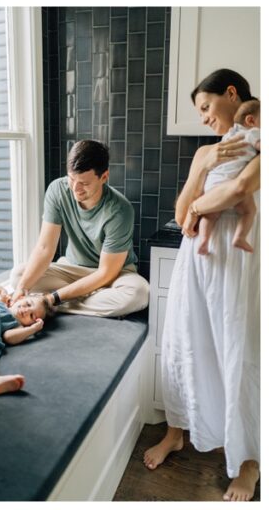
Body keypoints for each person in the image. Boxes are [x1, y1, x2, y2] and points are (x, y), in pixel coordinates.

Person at [144, 68, 260, 502]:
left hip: (240, 259)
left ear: (232, 94)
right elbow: (180, 216)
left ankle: (249, 462)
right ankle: (177, 431)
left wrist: (198, 208)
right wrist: (202, 171)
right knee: (185, 344)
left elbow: (240, 190)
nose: (204, 119)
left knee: (241, 352)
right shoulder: (204, 154)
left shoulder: (261, 140)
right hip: (198, 260)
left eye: (207, 107)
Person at [7, 140, 149, 317]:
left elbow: (106, 273)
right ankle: (83, 298)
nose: (75, 188)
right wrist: (22, 289)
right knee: (18, 276)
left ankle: (50, 304)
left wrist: (52, 299)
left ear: (104, 177)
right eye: (71, 179)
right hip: (72, 269)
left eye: (84, 183)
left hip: (113, 275)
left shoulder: (120, 210)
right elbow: (44, 248)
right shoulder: (57, 190)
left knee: (139, 294)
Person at [195, 99, 260, 255]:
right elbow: (240, 188)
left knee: (209, 216)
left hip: (213, 183)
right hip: (229, 183)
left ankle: (204, 241)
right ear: (251, 120)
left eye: (205, 108)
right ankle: (239, 237)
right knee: (249, 211)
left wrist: (194, 209)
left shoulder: (228, 136)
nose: (204, 119)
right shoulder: (253, 132)